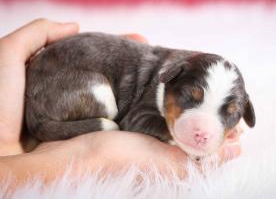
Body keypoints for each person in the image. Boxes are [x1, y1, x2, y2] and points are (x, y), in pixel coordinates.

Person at [0, 19, 242, 189]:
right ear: (170, 79)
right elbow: (135, 120)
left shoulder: (174, 73)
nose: (203, 131)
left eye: (227, 115)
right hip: (65, 86)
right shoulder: (161, 79)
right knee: (104, 99)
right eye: (189, 99)